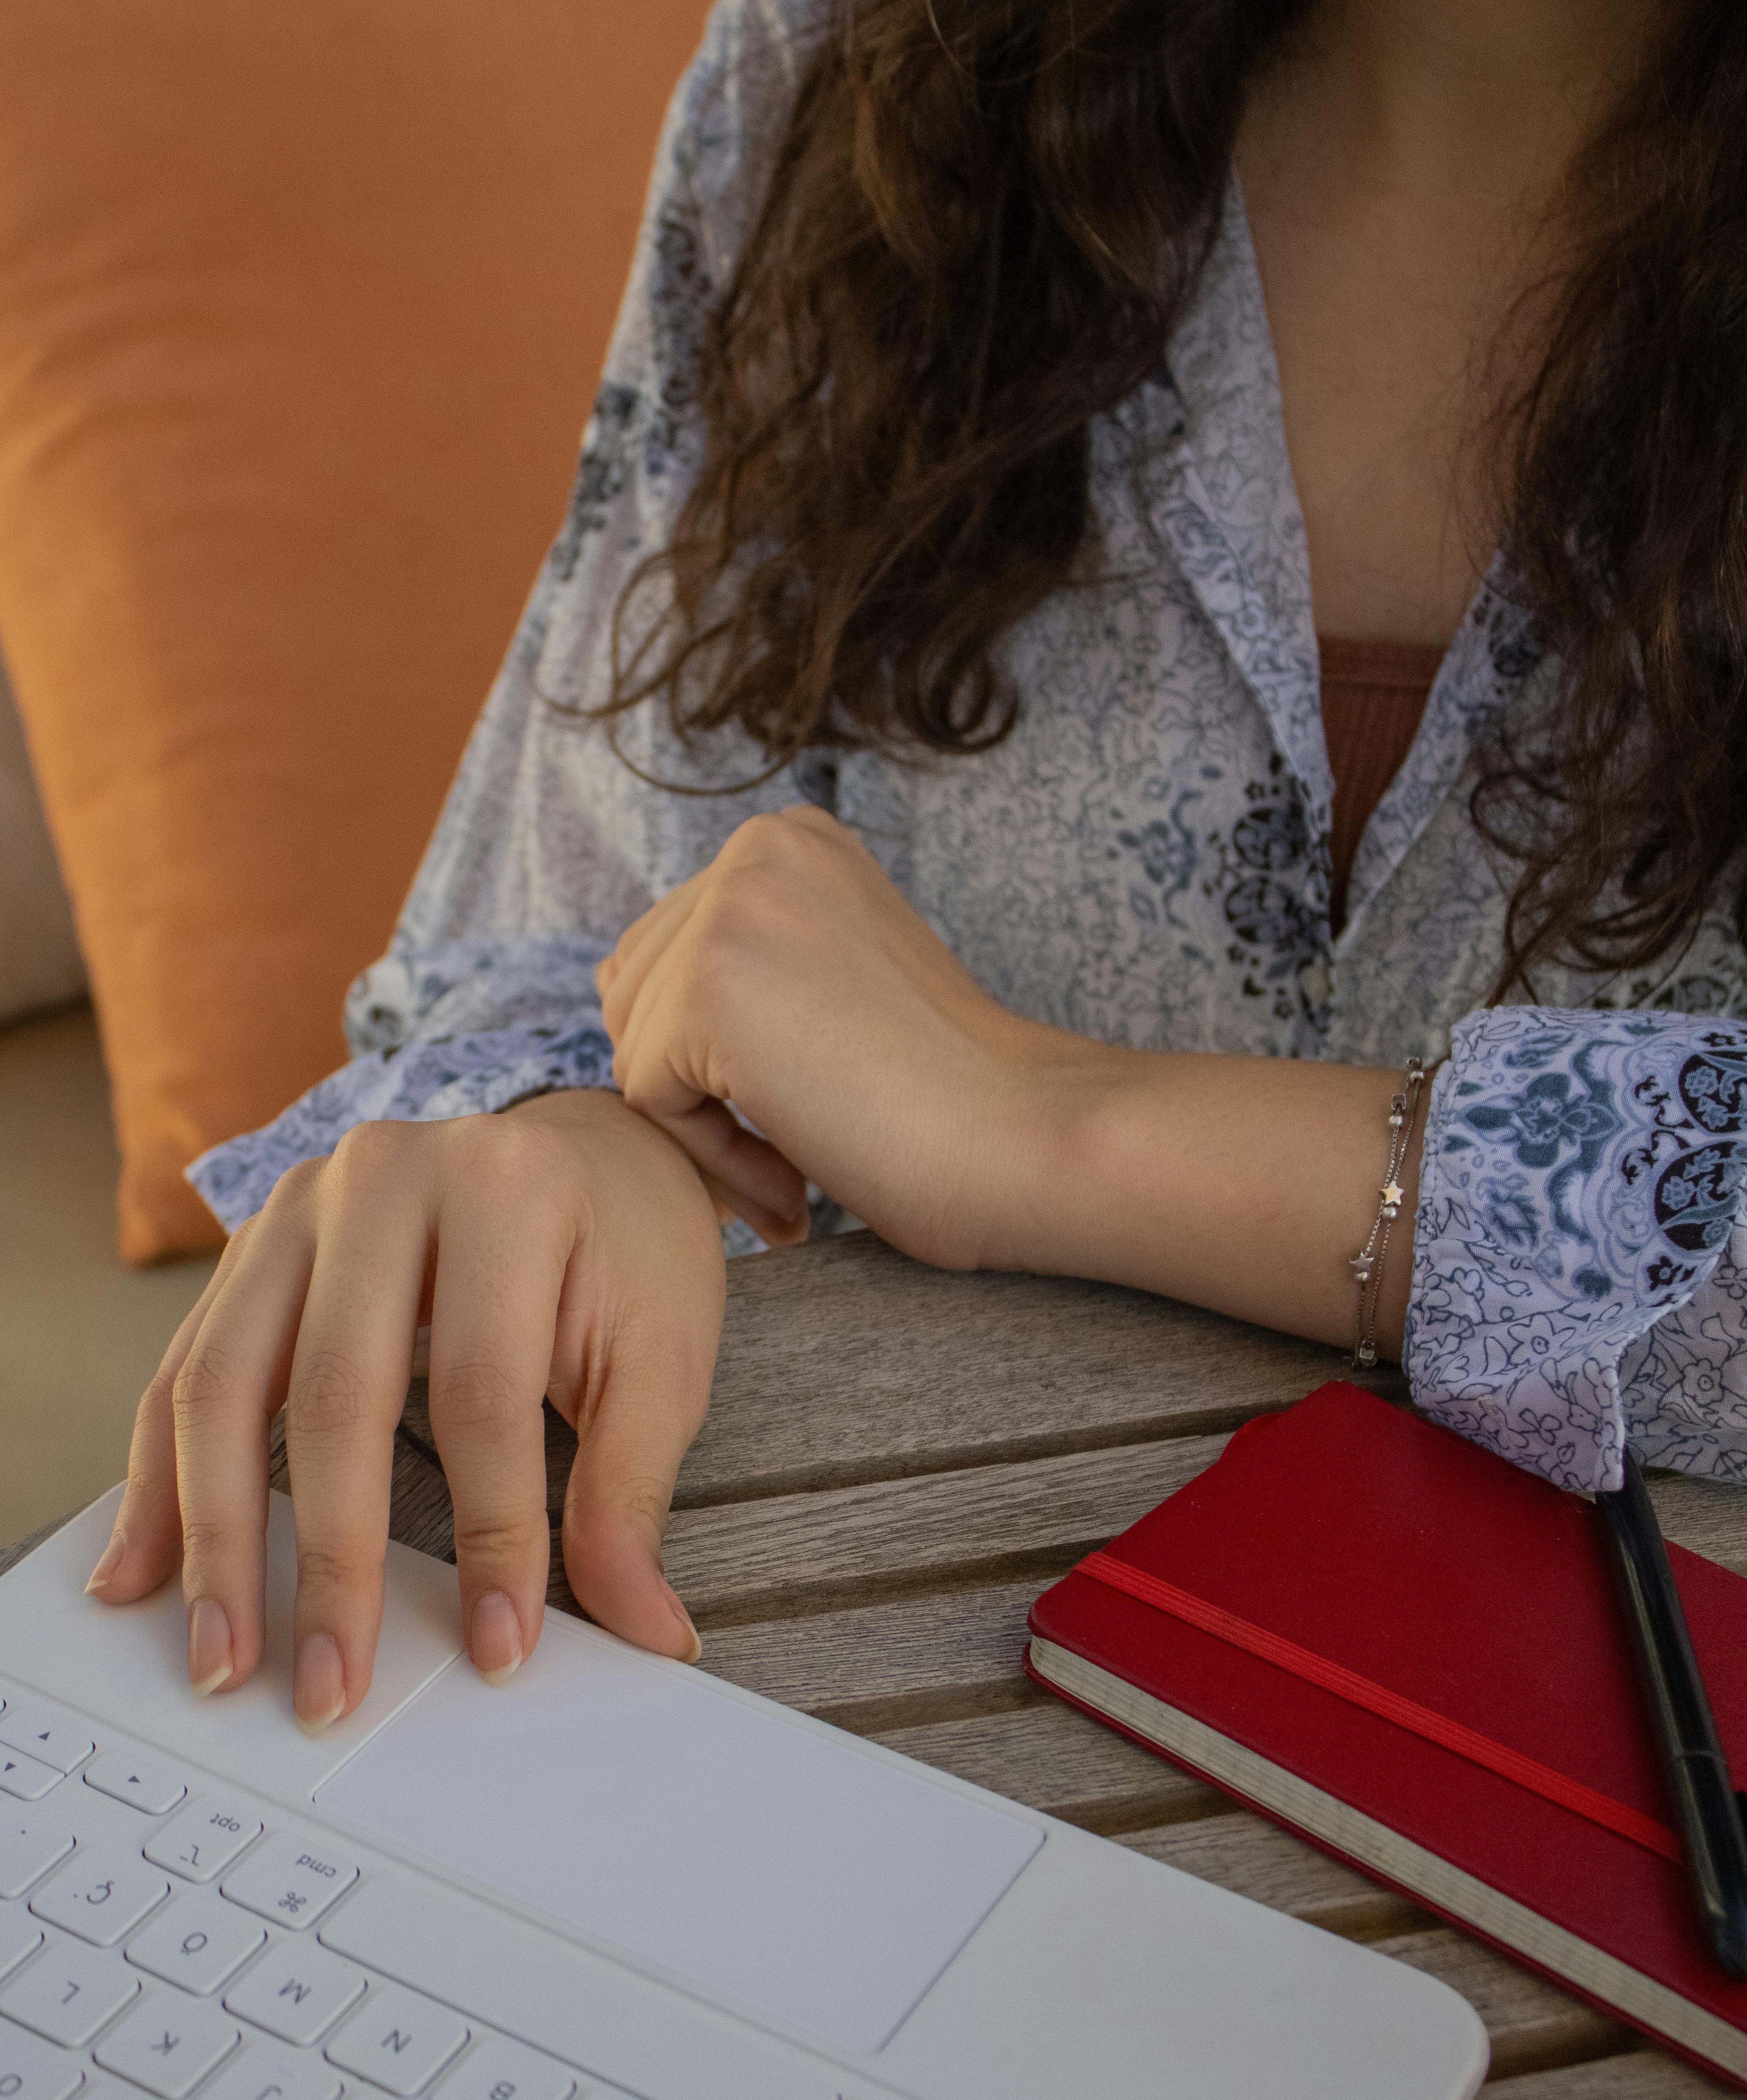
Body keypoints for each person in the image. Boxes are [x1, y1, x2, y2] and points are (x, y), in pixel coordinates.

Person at [92, 0, 1747, 1731]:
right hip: (848, 1700)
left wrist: (1045, 1126)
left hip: (1622, 1800)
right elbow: (540, 947)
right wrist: (577, 1140)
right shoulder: (848, 72)